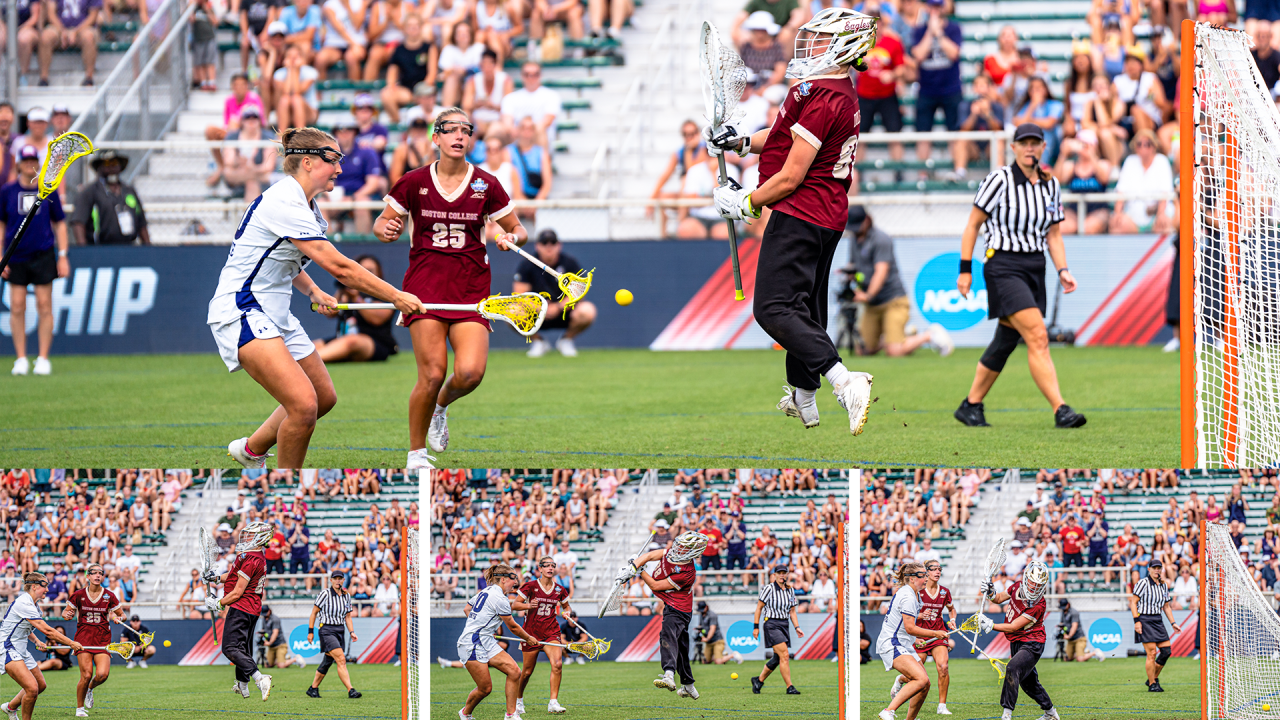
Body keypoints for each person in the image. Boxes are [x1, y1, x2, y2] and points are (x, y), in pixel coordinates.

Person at [207, 127, 427, 469]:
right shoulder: (284, 201)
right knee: (303, 406)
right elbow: (342, 267)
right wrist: (396, 296)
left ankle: (251, 451)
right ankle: (286, 482)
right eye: (333, 160)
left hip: (274, 313)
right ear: (307, 162)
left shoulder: (309, 208)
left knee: (323, 397)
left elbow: (280, 258)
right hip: (241, 310)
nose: (340, 169)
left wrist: (312, 290)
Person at [707, 7, 877, 436]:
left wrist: (745, 202)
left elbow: (790, 175)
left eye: (821, 39)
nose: (811, 45)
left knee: (773, 308)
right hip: (824, 213)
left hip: (802, 212)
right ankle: (804, 394)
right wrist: (743, 142)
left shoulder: (826, 97)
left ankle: (844, 381)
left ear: (844, 46)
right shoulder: (828, 89)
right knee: (805, 308)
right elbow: (784, 139)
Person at [372, 108, 528, 469]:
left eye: (465, 130)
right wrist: (387, 230)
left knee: (471, 373)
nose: (459, 136)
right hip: (424, 289)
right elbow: (382, 224)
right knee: (431, 373)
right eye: (450, 130)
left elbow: (519, 228)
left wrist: (510, 236)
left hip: (472, 290)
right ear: (436, 137)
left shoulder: (486, 184)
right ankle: (415, 455)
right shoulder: (413, 181)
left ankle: (440, 406)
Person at [955, 123, 1086, 429]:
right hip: (1003, 265)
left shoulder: (1050, 184)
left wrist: (1063, 270)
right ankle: (1060, 409)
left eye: (1035, 143)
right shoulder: (999, 179)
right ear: (1013, 147)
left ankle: (971, 405)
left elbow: (1054, 235)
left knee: (1005, 340)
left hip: (1034, 267)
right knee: (1038, 336)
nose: (1030, 148)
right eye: (1024, 143)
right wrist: (964, 270)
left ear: (1043, 147)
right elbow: (973, 225)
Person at [848, 205, 952, 357]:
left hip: (893, 301)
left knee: (895, 352)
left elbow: (881, 272)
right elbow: (852, 266)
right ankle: (900, 336)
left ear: (867, 220)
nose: (855, 230)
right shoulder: (854, 239)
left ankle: (928, 335)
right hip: (872, 306)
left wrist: (867, 295)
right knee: (863, 350)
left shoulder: (881, 239)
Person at [1, 144, 68, 377]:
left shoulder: (48, 190)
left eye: (34, 160)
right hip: (16, 256)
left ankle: (43, 358)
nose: (30, 164)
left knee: (44, 305)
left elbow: (60, 223)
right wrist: (1, 255)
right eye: (26, 160)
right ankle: (20, 358)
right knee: (17, 306)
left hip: (43, 254)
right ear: (18, 163)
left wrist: (62, 255)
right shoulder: (7, 191)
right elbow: (1, 225)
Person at [619, 532, 707, 698]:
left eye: (683, 546)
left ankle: (668, 674)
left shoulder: (687, 573)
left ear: (690, 552)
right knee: (681, 647)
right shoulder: (674, 554)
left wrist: (640, 571)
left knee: (667, 635)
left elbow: (655, 585)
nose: (677, 547)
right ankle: (688, 684)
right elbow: (651, 555)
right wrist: (633, 566)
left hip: (678, 609)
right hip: (675, 606)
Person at [454, 564, 542, 720]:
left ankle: (510, 715)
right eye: (513, 578)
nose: (515, 582)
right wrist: (528, 638)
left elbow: (467, 609)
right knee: (485, 688)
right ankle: (465, 713)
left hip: (484, 640)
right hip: (471, 644)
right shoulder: (500, 598)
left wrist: (484, 630)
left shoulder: (486, 591)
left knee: (514, 672)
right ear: (503, 579)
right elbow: (513, 627)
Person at [976, 561, 1060, 720]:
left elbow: (1014, 626)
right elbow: (999, 598)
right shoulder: (1016, 586)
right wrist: (991, 592)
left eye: (1038, 584)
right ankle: (1051, 713)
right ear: (1026, 578)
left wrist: (991, 625)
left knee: (1012, 668)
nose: (1035, 587)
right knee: (1029, 683)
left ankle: (1006, 714)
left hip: (1032, 643)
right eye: (1032, 582)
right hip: (1016, 641)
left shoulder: (1039, 604)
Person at [202, 522, 273, 700]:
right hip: (251, 608)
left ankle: (259, 678)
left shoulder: (252, 559)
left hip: (242, 607)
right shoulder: (251, 556)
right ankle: (242, 684)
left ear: (260, 538)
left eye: (250, 535)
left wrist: (218, 603)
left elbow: (237, 592)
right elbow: (233, 576)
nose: (246, 538)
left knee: (230, 648)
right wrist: (217, 578)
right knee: (242, 648)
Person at [0, 573, 84, 720]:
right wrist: (71, 643)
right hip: (7, 647)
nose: (47, 590)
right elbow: (48, 631)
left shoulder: (35, 606)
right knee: (32, 689)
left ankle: (10, 707)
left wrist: (37, 641)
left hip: (20, 648)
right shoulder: (24, 603)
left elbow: (24, 628)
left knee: (40, 685)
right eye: (45, 586)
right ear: (34, 586)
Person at [874, 561, 948, 720]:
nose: (926, 578)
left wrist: (916, 639)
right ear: (912, 578)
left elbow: (905, 625)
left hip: (902, 643)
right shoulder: (908, 595)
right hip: (891, 643)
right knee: (920, 679)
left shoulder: (914, 593)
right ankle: (888, 710)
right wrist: (935, 633)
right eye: (922, 575)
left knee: (925, 684)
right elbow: (909, 627)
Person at [512, 229, 596, 358]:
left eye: (553, 243)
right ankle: (538, 342)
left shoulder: (569, 263)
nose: (549, 247)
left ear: (559, 245)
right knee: (512, 311)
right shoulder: (527, 264)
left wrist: (558, 307)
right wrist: (541, 307)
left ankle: (566, 340)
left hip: (564, 312)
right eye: (544, 243)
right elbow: (519, 294)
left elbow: (579, 293)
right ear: (537, 246)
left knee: (587, 310)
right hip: (537, 313)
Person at [890, 559, 956, 714]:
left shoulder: (944, 592)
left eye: (939, 569)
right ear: (925, 572)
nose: (937, 572)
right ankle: (900, 679)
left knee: (943, 667)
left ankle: (942, 706)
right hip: (919, 634)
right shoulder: (916, 590)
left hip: (938, 633)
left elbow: (952, 609)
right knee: (919, 675)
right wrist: (920, 615)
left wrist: (952, 619)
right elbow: (905, 616)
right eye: (933, 569)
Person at [511, 556, 573, 715]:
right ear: (540, 569)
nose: (550, 568)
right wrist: (527, 605)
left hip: (551, 631)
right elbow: (515, 604)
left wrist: (567, 613)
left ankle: (553, 702)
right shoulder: (530, 586)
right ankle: (519, 700)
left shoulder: (560, 589)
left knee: (557, 664)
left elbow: (567, 606)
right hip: (531, 633)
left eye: (553, 565)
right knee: (526, 672)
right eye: (547, 566)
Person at [910, 0, 964, 180]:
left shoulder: (954, 28)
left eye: (937, 6)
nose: (934, 10)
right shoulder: (918, 30)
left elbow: (954, 53)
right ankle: (922, 174)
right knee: (923, 133)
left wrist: (938, 33)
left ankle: (957, 170)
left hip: (951, 89)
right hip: (926, 89)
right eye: (931, 6)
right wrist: (929, 32)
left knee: (954, 131)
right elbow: (918, 55)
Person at [62, 563, 124, 717]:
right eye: (94, 572)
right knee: (86, 674)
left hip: (103, 640)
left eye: (100, 573)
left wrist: (118, 618)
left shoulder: (109, 595)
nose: (98, 575)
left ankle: (90, 688)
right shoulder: (78, 595)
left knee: (102, 675)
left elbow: (122, 614)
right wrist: (67, 615)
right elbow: (65, 612)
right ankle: (80, 708)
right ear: (87, 576)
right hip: (83, 640)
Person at [313, 255, 400, 363]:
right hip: (342, 338)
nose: (367, 274)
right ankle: (298, 360)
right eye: (363, 270)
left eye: (371, 270)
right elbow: (330, 314)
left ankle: (309, 362)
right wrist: (342, 291)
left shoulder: (384, 294)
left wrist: (356, 298)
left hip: (374, 342)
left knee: (352, 341)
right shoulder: (347, 292)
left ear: (378, 273)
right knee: (312, 346)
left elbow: (377, 319)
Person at [72, 151, 150, 247]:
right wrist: (84, 251)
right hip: (100, 248)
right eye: (107, 164)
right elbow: (78, 223)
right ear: (99, 167)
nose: (111, 168)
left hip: (128, 248)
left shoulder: (129, 191)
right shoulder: (90, 192)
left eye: (114, 164)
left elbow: (142, 223)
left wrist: (148, 249)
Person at [750, 564, 805, 695]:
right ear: (774, 575)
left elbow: (792, 612)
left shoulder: (790, 590)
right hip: (771, 624)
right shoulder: (768, 589)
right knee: (785, 655)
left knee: (777, 658)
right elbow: (759, 608)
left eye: (784, 573)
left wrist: (797, 627)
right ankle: (789, 686)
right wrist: (756, 627)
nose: (781, 575)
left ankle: (758, 680)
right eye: (779, 573)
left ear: (787, 575)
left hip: (784, 624)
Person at [1110, 129, 1176, 234]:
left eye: (1148, 144)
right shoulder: (1130, 161)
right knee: (1117, 226)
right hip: (1133, 215)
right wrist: (1117, 213)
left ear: (1154, 146)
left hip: (1157, 214)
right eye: (1139, 144)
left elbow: (1166, 192)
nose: (1143, 147)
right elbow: (1121, 191)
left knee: (1164, 225)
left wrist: (1160, 214)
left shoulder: (1162, 161)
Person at [206, 73, 267, 188]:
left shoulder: (254, 98)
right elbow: (227, 124)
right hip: (234, 135)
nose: (239, 88)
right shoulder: (229, 101)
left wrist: (238, 122)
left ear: (247, 86)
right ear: (232, 86)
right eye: (236, 85)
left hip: (252, 134)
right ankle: (223, 165)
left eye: (242, 85)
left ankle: (224, 167)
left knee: (234, 123)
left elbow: (259, 121)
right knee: (211, 130)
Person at [305, 572, 360, 697]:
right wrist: (310, 632)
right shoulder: (325, 594)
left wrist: (352, 632)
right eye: (335, 579)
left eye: (340, 579)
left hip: (340, 630)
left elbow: (348, 617)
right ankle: (351, 690)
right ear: (331, 580)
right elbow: (313, 613)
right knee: (341, 659)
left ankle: (313, 688)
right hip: (326, 630)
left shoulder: (346, 596)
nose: (338, 581)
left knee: (327, 661)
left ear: (343, 580)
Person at [1131, 559, 1181, 692]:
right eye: (1154, 568)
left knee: (1166, 651)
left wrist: (1173, 623)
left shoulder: (1164, 586)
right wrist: (1137, 621)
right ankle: (1153, 684)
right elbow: (1133, 602)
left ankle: (1152, 678)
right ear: (1149, 569)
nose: (1157, 570)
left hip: (1158, 620)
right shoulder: (1142, 583)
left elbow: (1166, 607)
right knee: (1152, 653)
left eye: (1159, 568)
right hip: (1145, 619)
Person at [326, 119, 383, 234]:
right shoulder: (330, 154)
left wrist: (353, 198)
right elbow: (325, 180)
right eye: (340, 131)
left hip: (361, 194)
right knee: (321, 205)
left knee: (362, 204)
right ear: (336, 134)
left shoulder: (367, 152)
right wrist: (332, 196)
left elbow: (373, 183)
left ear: (355, 133)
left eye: (349, 130)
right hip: (338, 195)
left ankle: (362, 246)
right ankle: (327, 245)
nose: (344, 134)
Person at [380, 14, 436, 124]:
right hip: (406, 91)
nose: (413, 28)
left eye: (416, 25)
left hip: (425, 88)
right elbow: (392, 72)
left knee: (426, 95)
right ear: (404, 28)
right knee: (385, 94)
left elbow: (432, 73)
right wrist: (391, 85)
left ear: (421, 27)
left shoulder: (429, 47)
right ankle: (399, 123)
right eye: (410, 25)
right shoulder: (398, 50)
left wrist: (421, 91)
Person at [221, 106, 278, 200]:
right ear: (242, 121)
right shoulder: (232, 136)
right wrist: (238, 161)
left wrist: (253, 168)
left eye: (254, 118)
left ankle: (249, 213)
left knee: (253, 181)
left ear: (259, 120)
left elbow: (269, 166)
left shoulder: (268, 136)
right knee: (228, 172)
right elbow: (228, 162)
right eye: (247, 118)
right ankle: (252, 213)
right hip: (239, 177)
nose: (251, 122)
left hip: (261, 178)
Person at [39, 0, 100, 86]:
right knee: (45, 37)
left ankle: (89, 78)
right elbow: (51, 13)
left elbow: (93, 16)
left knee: (89, 37)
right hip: (59, 27)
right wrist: (63, 31)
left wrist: (75, 31)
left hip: (84, 28)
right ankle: (43, 78)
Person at [314, 0, 368, 81]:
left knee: (351, 57)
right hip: (335, 45)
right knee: (320, 59)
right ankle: (319, 93)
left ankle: (357, 92)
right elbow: (339, 29)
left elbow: (358, 25)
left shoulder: (360, 2)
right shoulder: (329, 5)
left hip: (357, 42)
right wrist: (353, 44)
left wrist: (347, 6)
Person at [273, 44, 320, 131]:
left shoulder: (311, 72)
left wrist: (295, 70)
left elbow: (298, 91)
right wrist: (291, 70)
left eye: (296, 56)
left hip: (309, 113)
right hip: (287, 112)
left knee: (296, 99)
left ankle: (300, 135)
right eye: (290, 56)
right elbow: (286, 92)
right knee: (285, 99)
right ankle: (281, 136)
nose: (293, 59)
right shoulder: (278, 74)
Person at [739, 11, 788, 87]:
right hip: (748, 87)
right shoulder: (746, 46)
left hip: (770, 86)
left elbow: (780, 71)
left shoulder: (776, 47)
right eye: (757, 29)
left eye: (762, 30)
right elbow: (741, 69)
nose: (759, 33)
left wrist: (764, 88)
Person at [697, 599, 742, 664]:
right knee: (705, 661)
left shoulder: (712, 615)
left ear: (706, 607)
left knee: (718, 662)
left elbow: (712, 629)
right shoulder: (701, 615)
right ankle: (722, 655)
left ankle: (732, 655)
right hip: (709, 643)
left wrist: (707, 639)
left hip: (717, 641)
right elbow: (700, 626)